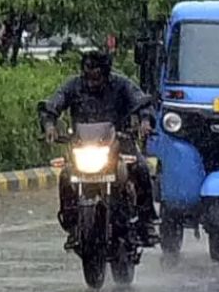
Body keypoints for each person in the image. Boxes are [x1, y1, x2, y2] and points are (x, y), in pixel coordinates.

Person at [38, 50, 158, 248]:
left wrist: (145, 121)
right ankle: (72, 224)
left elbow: (141, 100)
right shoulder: (73, 86)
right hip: (82, 145)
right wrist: (50, 126)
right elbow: (54, 103)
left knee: (141, 168)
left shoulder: (121, 84)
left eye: (96, 75)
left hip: (118, 142)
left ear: (106, 72)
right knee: (66, 176)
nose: (92, 80)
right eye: (88, 75)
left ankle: (146, 224)